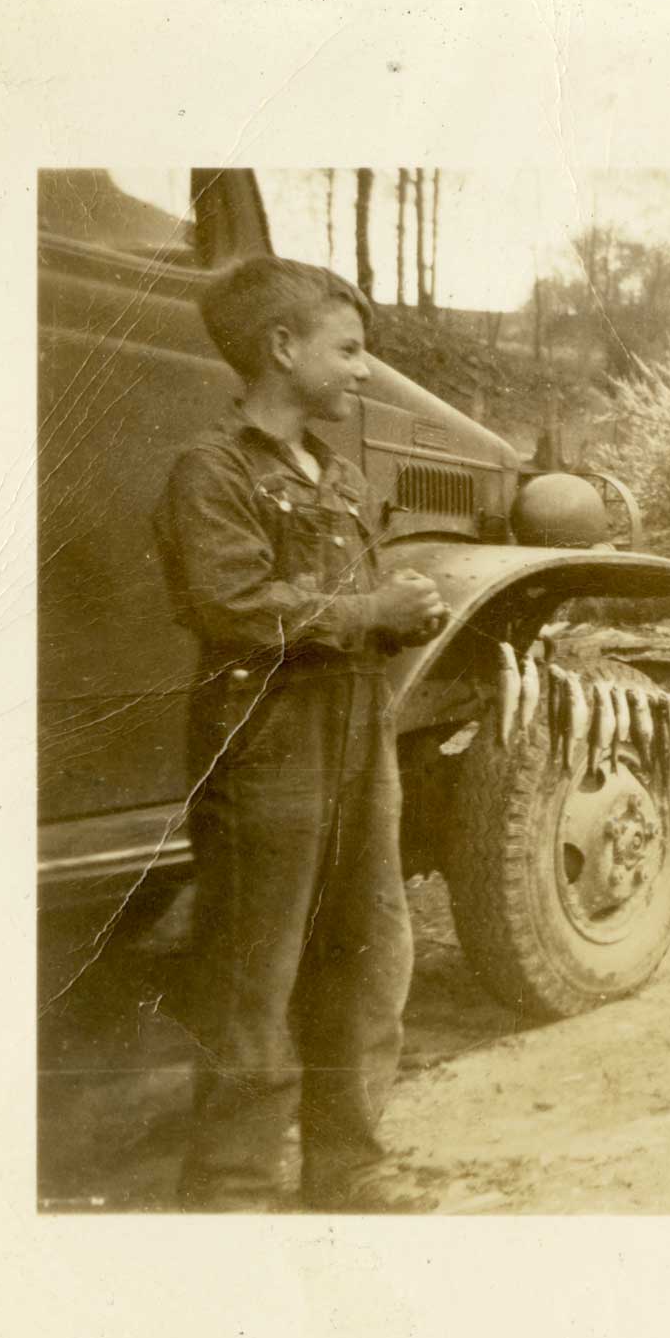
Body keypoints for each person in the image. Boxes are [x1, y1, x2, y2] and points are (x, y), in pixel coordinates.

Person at [154, 255, 446, 1210]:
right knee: (255, 966)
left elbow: (352, 604)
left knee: (368, 947)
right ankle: (233, 1186)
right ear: (282, 349)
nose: (365, 371)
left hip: (357, 727)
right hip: (265, 736)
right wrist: (371, 612)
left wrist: (411, 610)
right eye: (350, 350)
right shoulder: (212, 469)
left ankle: (348, 1165)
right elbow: (235, 607)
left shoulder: (340, 476)